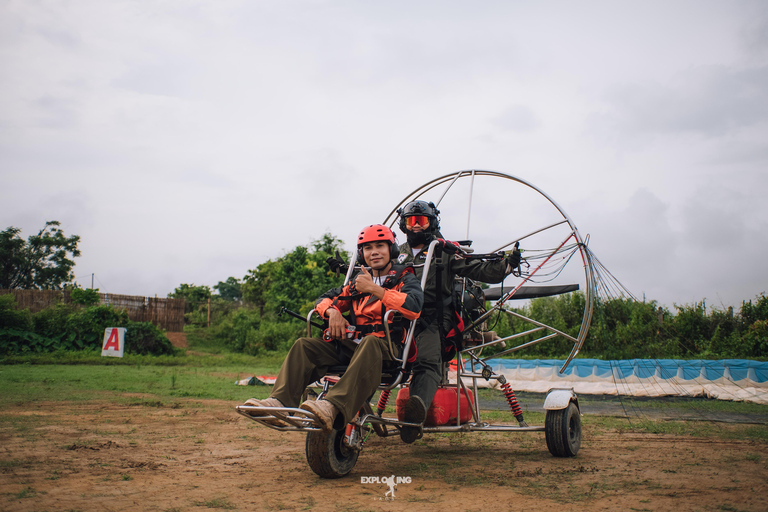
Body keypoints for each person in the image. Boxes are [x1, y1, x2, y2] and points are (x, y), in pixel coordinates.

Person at [243, 224, 424, 433]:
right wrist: (332, 312)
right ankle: (280, 403)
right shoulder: (356, 284)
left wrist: (375, 289)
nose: (374, 252)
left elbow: (414, 308)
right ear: (361, 254)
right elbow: (324, 299)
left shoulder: (405, 278)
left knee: (370, 342)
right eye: (368, 248)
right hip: (352, 347)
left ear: (391, 249)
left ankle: (332, 406)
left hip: (386, 350)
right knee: (304, 346)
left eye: (380, 246)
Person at [395, 200, 521, 443]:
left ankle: (414, 414)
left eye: (422, 221)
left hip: (432, 318)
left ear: (432, 223)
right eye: (412, 221)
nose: (417, 226)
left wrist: (506, 265)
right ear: (404, 225)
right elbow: (374, 269)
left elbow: (478, 269)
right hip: (399, 317)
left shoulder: (444, 250)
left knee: (427, 362)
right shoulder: (395, 252)